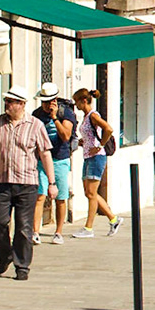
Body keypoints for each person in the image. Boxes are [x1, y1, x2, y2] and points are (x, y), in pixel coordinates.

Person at [0, 86, 55, 279]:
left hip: (27, 183)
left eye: (11, 101)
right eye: (6, 101)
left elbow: (45, 153)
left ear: (21, 104)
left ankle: (22, 266)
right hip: (1, 182)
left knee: (24, 227)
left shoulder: (35, 125)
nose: (7, 104)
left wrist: (52, 182)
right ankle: (5, 255)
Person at [71, 88, 119, 237]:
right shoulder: (86, 117)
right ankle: (113, 219)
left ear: (84, 101)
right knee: (89, 192)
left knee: (91, 193)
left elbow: (108, 129)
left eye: (77, 102)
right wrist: (83, 142)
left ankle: (89, 228)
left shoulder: (93, 115)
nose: (76, 105)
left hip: (97, 157)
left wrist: (100, 146)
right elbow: (91, 135)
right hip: (88, 156)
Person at [33, 82, 77, 244]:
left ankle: (58, 232)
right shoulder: (36, 114)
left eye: (48, 101)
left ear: (55, 100)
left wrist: (54, 118)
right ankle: (35, 231)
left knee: (60, 197)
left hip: (60, 159)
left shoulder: (66, 113)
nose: (45, 105)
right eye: (43, 101)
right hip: (41, 160)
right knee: (40, 195)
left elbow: (66, 136)